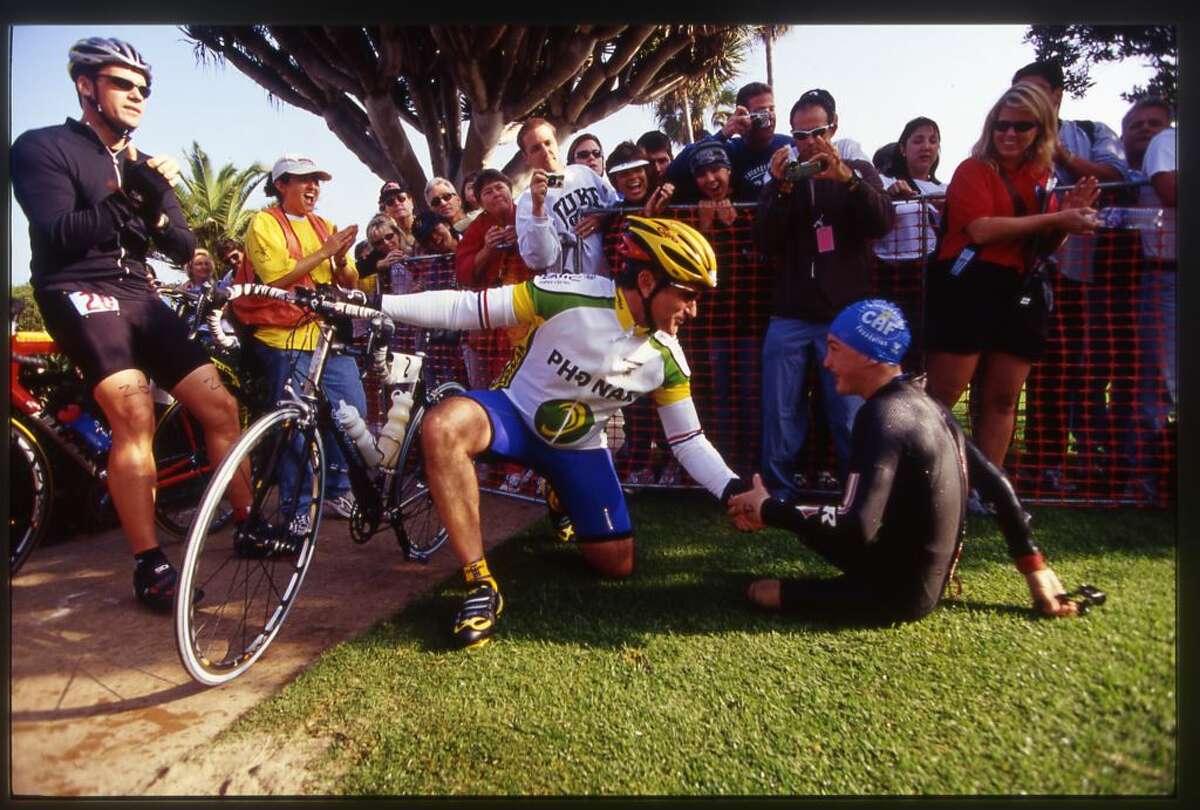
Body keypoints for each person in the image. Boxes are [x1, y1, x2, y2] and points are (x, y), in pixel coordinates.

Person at [375, 216, 749, 648]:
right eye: (686, 296)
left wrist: (731, 489)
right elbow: (467, 310)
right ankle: (480, 584)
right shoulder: (568, 295)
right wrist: (377, 304)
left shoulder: (667, 359)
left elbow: (687, 441)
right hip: (513, 414)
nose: (694, 310)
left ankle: (560, 493)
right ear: (647, 281)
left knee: (616, 564)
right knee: (443, 425)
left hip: (579, 448)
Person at [11, 36, 249, 610]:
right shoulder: (42, 146)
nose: (138, 95)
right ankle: (150, 564)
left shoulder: (142, 165)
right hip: (77, 289)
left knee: (220, 407)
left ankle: (248, 522)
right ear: (86, 86)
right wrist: (130, 196)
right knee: (133, 411)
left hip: (138, 294)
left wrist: (152, 202)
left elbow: (181, 238)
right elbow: (58, 232)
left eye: (145, 88)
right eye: (123, 84)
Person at [727, 299, 1078, 623]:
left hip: (895, 597)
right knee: (807, 528)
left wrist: (772, 510)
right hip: (917, 578)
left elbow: (856, 528)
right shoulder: (924, 402)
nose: (826, 362)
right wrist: (1034, 566)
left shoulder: (881, 416)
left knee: (761, 592)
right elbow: (997, 485)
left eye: (835, 349)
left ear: (869, 356)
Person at [923, 83, 1100, 476]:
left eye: (1022, 127)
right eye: (1002, 125)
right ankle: (924, 479)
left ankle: (988, 488)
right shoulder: (973, 170)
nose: (1009, 134)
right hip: (969, 286)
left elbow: (1042, 245)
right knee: (943, 394)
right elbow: (981, 230)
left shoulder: (1044, 178)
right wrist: (1057, 217)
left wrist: (1068, 217)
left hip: (1020, 289)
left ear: (1041, 130)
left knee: (1002, 399)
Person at [753, 87, 894, 499]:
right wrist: (780, 189)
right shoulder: (782, 177)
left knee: (849, 413)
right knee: (780, 414)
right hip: (790, 314)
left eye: (817, 132)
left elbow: (881, 221)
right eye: (799, 135)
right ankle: (777, 493)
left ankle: (861, 495)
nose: (809, 142)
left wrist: (848, 180)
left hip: (844, 316)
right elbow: (764, 238)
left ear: (833, 128)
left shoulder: (856, 168)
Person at [1010, 61, 1127, 495]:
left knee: (1063, 373)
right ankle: (1011, 463)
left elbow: (1119, 178)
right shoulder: (1006, 135)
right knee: (1014, 373)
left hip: (1074, 276)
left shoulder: (1091, 131)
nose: (1026, 103)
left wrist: (1063, 156)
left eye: (1036, 92)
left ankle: (1054, 464)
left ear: (1057, 96)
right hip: (1019, 274)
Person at [243, 154, 363, 530]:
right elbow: (275, 279)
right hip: (282, 337)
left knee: (351, 412)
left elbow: (351, 282)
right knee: (295, 427)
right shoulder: (263, 222)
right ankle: (295, 510)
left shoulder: (323, 223)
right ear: (281, 185)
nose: (312, 187)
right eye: (302, 180)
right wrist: (326, 252)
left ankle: (339, 488)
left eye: (317, 180)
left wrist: (341, 259)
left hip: (325, 336)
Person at [871, 116, 948, 373]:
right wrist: (889, 198)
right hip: (890, 282)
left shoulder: (946, 189)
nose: (926, 146)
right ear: (903, 148)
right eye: (918, 140)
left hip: (930, 282)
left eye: (933, 141)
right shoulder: (883, 183)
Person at [454, 168, 534, 389]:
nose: (496, 193)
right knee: (496, 384)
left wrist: (524, 237)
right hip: (493, 322)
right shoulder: (477, 228)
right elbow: (463, 273)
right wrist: (487, 249)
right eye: (488, 192)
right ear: (480, 202)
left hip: (531, 311)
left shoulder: (527, 214)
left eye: (499, 187)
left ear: (510, 191)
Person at [513, 117, 620, 276]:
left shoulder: (582, 172)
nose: (545, 151)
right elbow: (540, 260)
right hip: (571, 290)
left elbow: (617, 206)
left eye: (548, 143)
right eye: (536, 148)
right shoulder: (527, 200)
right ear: (526, 157)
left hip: (612, 278)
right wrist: (537, 208)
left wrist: (602, 218)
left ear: (557, 142)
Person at [664, 81, 792, 202]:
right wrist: (723, 134)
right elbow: (673, 173)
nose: (769, 116)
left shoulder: (788, 145)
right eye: (761, 112)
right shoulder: (730, 150)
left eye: (772, 109)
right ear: (744, 115)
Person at [605, 141, 675, 215]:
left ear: (647, 173)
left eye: (637, 170)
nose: (633, 177)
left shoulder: (668, 199)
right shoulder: (612, 215)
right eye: (624, 173)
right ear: (615, 182)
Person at [377, 181, 417, 256]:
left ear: (411, 201)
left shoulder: (428, 224)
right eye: (390, 202)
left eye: (401, 198)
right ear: (385, 209)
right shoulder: (387, 239)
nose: (396, 203)